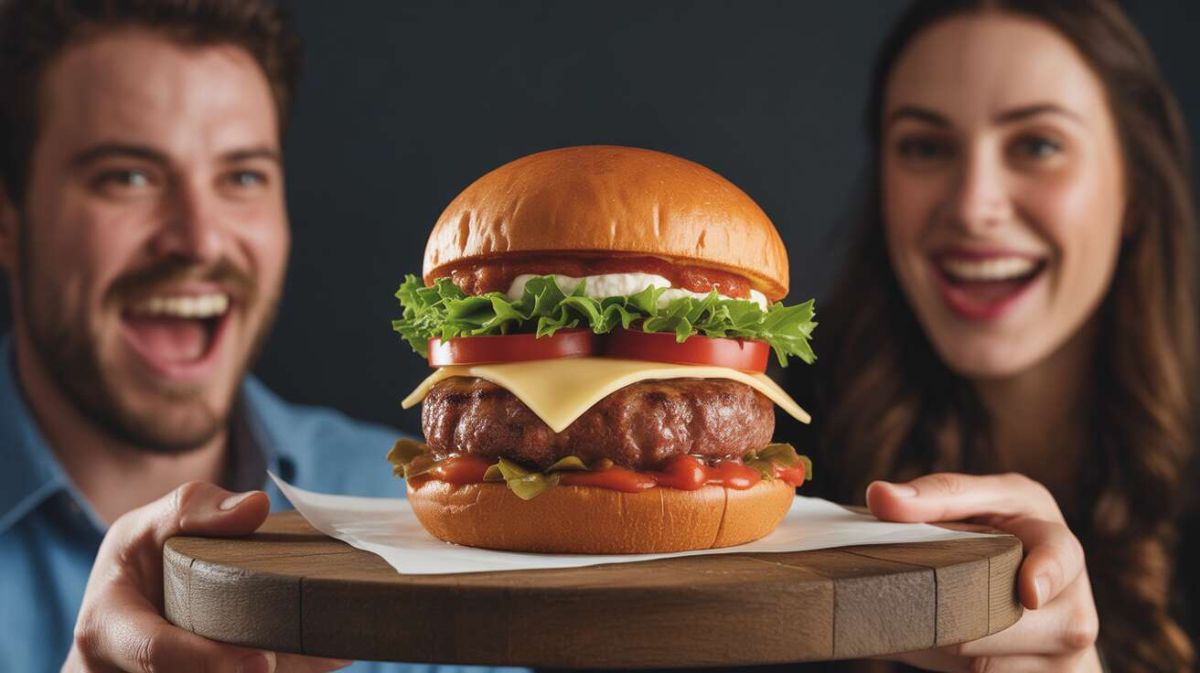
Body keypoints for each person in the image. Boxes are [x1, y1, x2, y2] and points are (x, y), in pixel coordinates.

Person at [0, 1, 526, 672]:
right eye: (127, 176)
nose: (200, 239)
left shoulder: (423, 518)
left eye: (241, 176)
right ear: (9, 217)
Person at [782, 0, 1199, 671]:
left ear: (1137, 189)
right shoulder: (767, 443)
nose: (974, 206)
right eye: (925, 147)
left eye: (1038, 145)